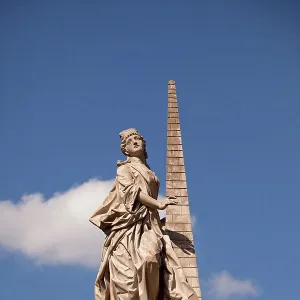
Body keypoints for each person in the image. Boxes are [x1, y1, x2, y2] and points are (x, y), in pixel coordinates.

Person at [89, 128, 197, 300]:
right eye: (130, 141)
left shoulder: (150, 172)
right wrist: (158, 203)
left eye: (138, 138)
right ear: (125, 149)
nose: (135, 141)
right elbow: (132, 192)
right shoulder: (124, 170)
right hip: (127, 227)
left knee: (150, 260)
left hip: (149, 225)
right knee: (127, 282)